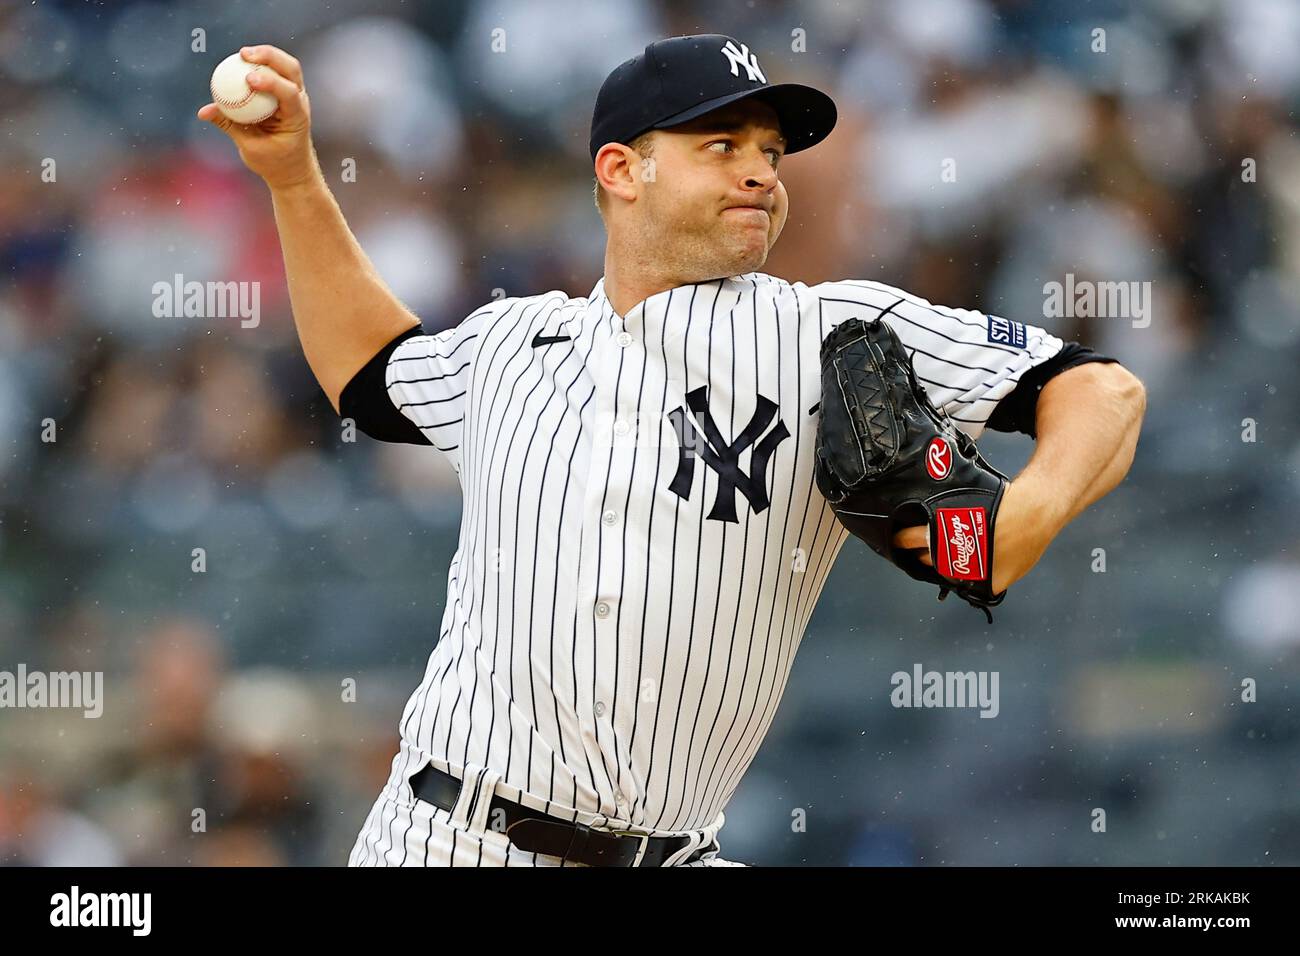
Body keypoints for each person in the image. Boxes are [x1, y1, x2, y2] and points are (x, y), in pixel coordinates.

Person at [198, 33, 1146, 867]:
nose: (761, 174)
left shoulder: (836, 333)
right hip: (445, 837)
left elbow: (1103, 390)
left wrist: (1023, 515)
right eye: (721, 146)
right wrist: (292, 178)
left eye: (770, 152)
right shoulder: (511, 343)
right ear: (621, 169)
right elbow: (369, 370)